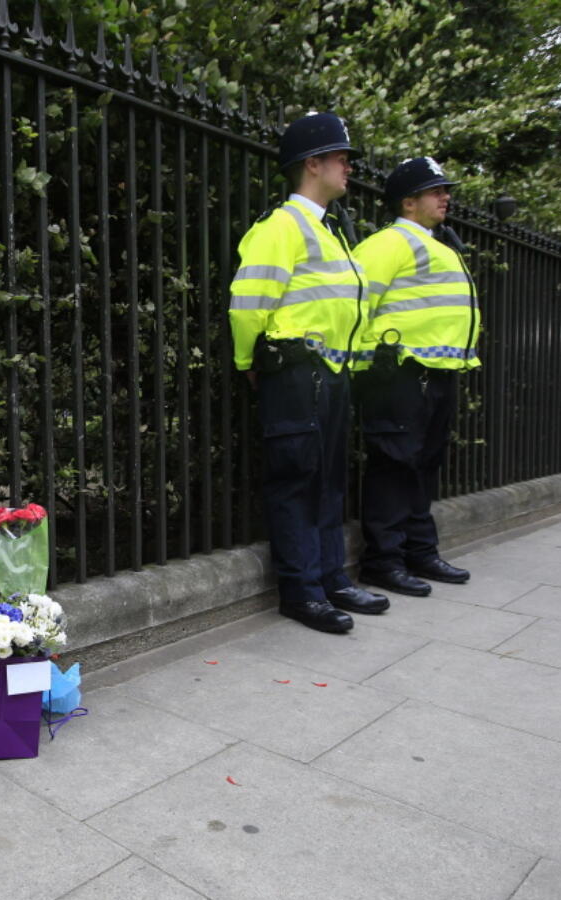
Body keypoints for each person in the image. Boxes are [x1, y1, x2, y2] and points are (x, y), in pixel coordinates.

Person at [228, 112, 388, 634]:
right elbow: (248, 303)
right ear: (312, 164)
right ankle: (301, 591)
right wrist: (248, 362)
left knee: (328, 480)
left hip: (330, 372)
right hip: (295, 371)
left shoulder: (333, 230)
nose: (348, 168)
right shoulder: (281, 226)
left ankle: (329, 579)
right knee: (296, 479)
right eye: (341, 158)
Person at [352, 157, 481, 595]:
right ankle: (383, 561)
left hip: (438, 371)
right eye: (436, 191)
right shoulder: (387, 244)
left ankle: (419, 552)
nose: (446, 197)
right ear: (408, 203)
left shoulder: (441, 245)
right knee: (394, 464)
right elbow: (354, 306)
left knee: (424, 465)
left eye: (446, 190)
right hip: (399, 373)